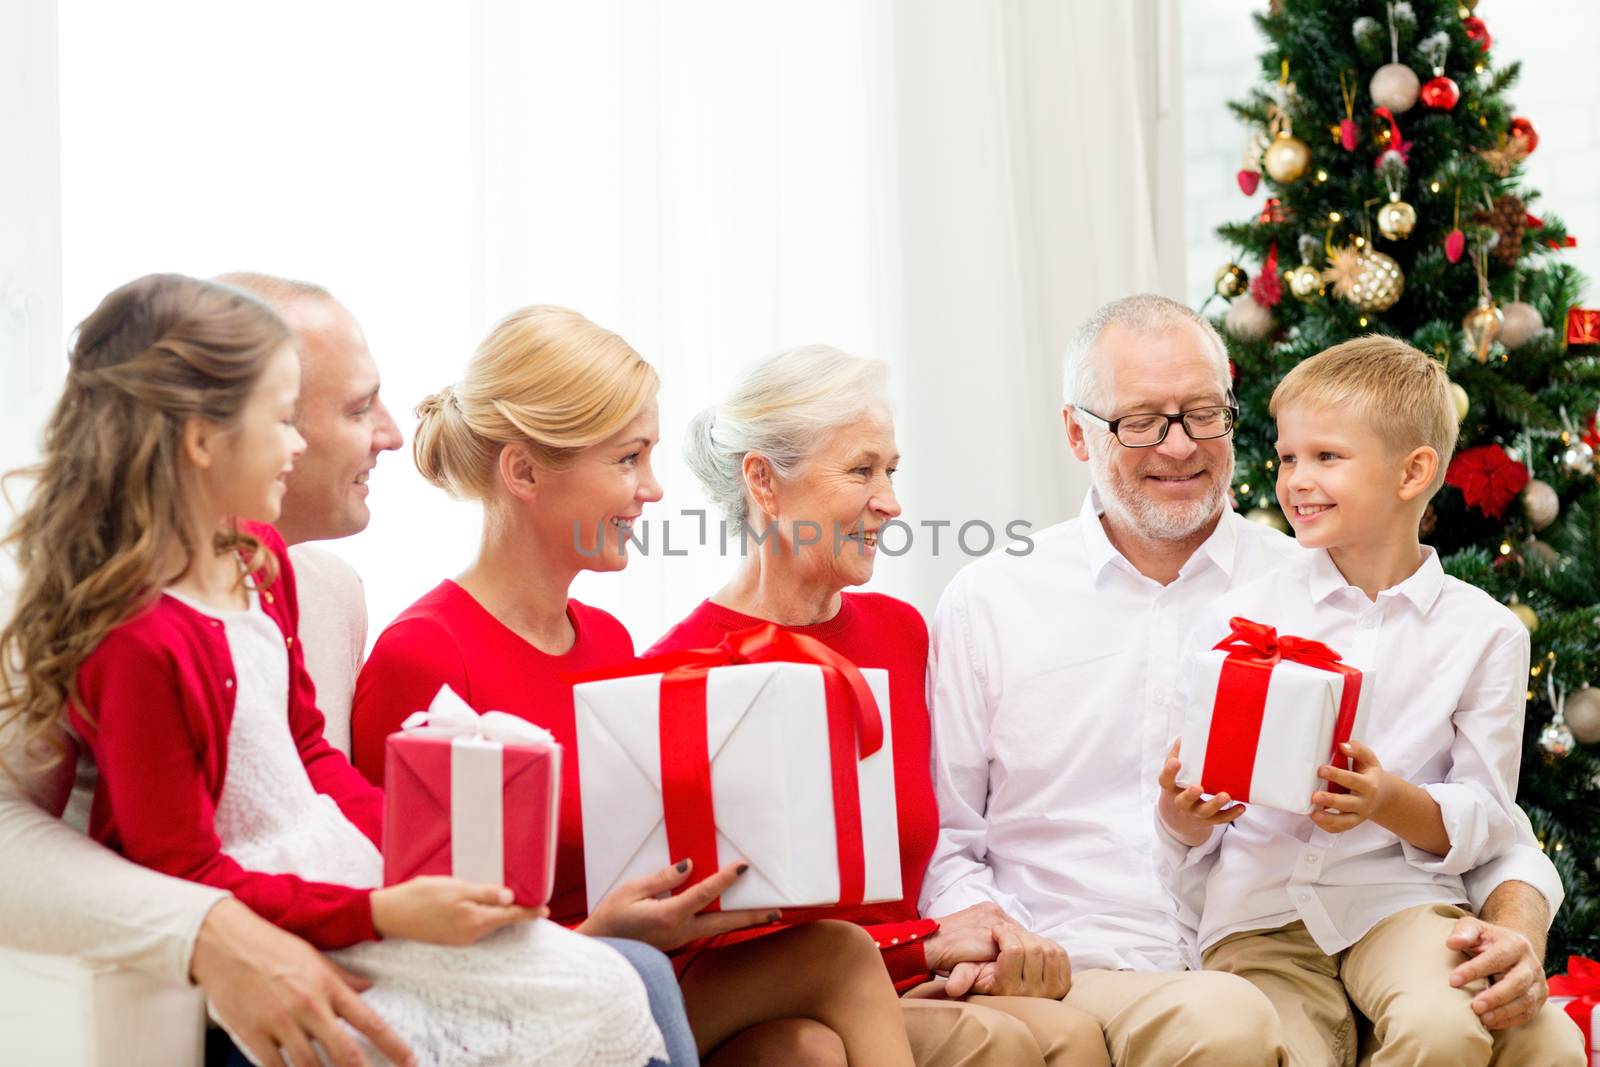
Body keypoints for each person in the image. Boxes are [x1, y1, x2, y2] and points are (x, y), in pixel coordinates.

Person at [1, 274, 665, 1067]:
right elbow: (178, 861)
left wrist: (426, 867)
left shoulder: (280, 570)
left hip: (332, 878)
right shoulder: (136, 636)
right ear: (203, 438)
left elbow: (312, 754)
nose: (387, 432)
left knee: (627, 984)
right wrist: (382, 906)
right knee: (616, 986)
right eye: (312, 415)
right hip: (264, 918)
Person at [922, 294, 1571, 1066]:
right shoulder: (993, 598)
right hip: (1099, 954)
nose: (1180, 445)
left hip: (1325, 932)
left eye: (1204, 413)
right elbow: (945, 841)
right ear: (1076, 433)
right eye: (1140, 421)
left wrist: (1518, 928)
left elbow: (1488, 818)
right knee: (1230, 1022)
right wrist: (994, 931)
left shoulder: (1329, 575)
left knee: (1544, 1039)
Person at [350, 306, 919, 1066]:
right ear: (523, 471)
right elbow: (417, 945)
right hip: (542, 994)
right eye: (627, 460)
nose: (652, 490)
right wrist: (602, 938)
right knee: (839, 959)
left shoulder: (609, 642)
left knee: (803, 1047)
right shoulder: (427, 654)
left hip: (637, 968)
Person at [648, 344, 1109, 1066]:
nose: (891, 501)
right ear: (764, 481)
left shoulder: (901, 633)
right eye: (862, 470)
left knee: (1071, 1034)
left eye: (891, 470)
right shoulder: (681, 670)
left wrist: (950, 951)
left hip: (902, 976)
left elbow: (942, 841)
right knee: (965, 1045)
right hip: (765, 1000)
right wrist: (917, 946)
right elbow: (706, 929)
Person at [1155, 336, 1584, 1066]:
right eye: (1289, 457)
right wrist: (1181, 813)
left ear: (1413, 471)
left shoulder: (1482, 633)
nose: (1296, 479)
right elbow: (1181, 812)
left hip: (1398, 902)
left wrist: (1385, 797)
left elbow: (1487, 815)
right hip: (1259, 917)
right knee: (1275, 1046)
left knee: (1444, 1028)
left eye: (1327, 457)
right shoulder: (1239, 617)